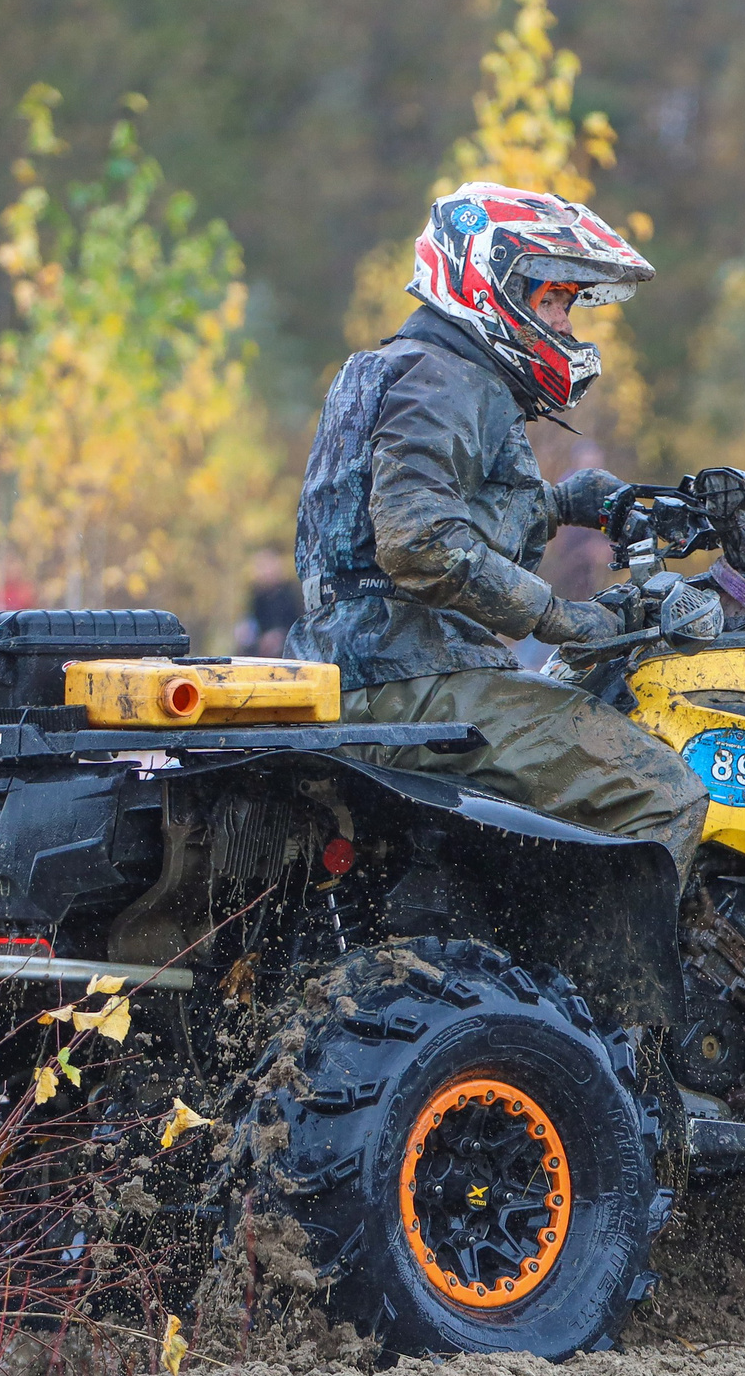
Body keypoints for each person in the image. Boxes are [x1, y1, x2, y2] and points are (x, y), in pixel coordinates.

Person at [283, 183, 709, 880]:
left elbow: (434, 516)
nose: (566, 327)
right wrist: (559, 618)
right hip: (414, 677)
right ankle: (592, 986)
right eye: (551, 302)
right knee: (660, 793)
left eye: (569, 305)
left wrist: (572, 502)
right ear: (490, 286)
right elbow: (419, 541)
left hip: (371, 671)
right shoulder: (444, 379)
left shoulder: (409, 368)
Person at [235, 551, 300, 658]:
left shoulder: (289, 593)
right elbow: (252, 621)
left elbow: (296, 622)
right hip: (260, 645)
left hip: (286, 644)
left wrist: (278, 635)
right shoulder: (257, 596)